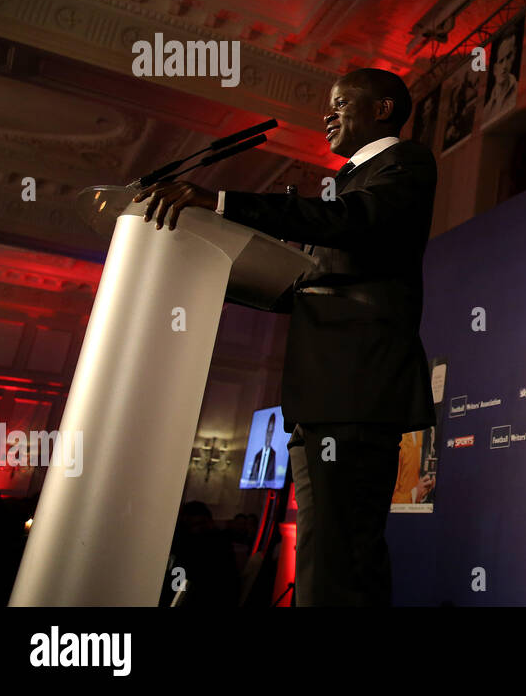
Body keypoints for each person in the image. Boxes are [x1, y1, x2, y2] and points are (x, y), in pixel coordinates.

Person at [135, 68, 438, 606]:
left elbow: (351, 221)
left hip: (356, 391)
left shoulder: (404, 164)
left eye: (342, 103)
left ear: (383, 110)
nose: (328, 114)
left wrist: (224, 203)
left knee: (338, 560)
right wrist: (206, 276)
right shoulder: (349, 184)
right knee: (333, 555)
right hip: (323, 396)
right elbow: (304, 285)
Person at [246, 411, 278, 488]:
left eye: (271, 432)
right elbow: (250, 481)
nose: (269, 435)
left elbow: (273, 481)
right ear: (266, 431)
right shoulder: (257, 456)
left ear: (273, 433)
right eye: (268, 431)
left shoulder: (274, 455)